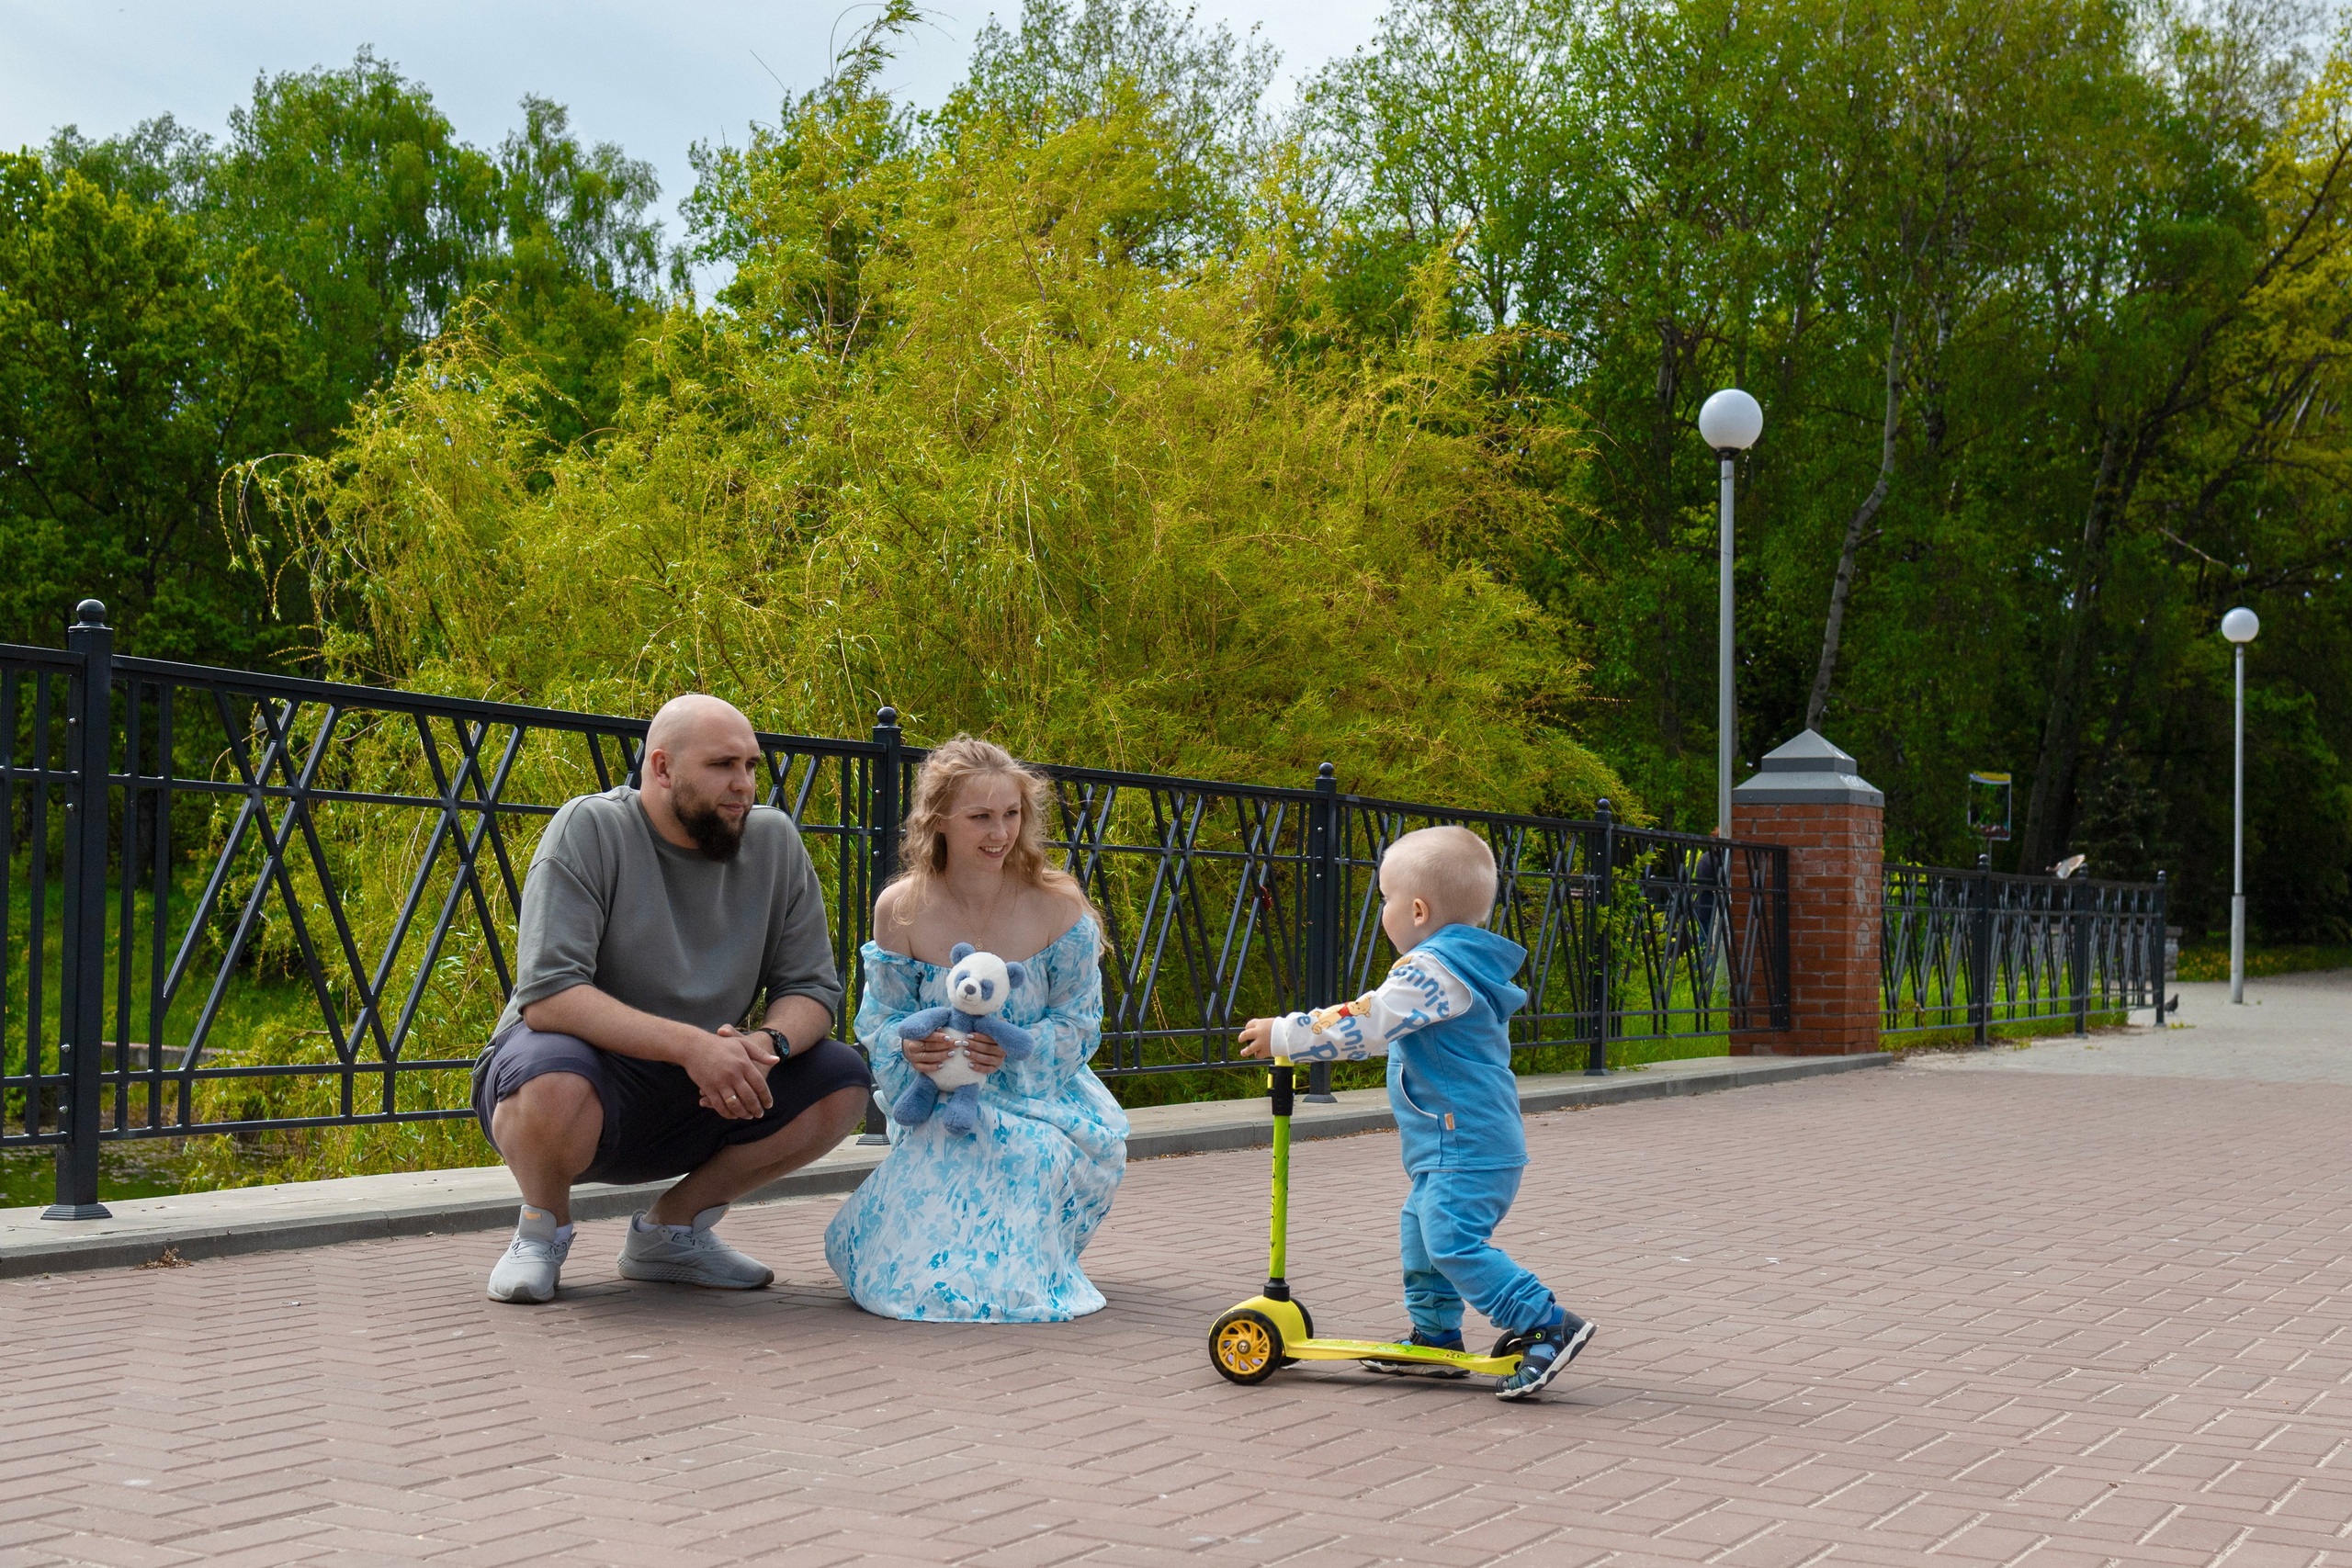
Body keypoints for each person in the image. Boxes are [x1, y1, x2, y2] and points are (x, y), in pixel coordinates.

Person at [471, 694, 873, 1304]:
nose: (744, 785)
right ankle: (542, 1230)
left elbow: (812, 990)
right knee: (552, 1078)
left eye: (752, 766)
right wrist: (690, 1046)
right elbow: (549, 994)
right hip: (584, 1075)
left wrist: (763, 1045)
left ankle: (670, 1232)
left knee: (842, 1081)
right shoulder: (591, 827)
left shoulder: (772, 842)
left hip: (700, 1085)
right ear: (661, 768)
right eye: (723, 765)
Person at [1238, 824, 1595, 1400]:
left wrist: (1287, 1033)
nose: (1382, 912)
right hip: (1453, 1142)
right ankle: (1436, 1339)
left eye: (1385, 900)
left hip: (1467, 1143)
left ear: (1420, 909)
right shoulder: (1455, 966)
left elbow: (1370, 1021)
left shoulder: (1433, 971)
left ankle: (1546, 1323)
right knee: (1423, 1236)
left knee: (1451, 1240)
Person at [823, 736, 1128, 1321]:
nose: (1001, 833)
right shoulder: (901, 908)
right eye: (981, 817)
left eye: (1012, 814)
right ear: (938, 820)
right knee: (943, 1165)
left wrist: (1016, 1052)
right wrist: (912, 1049)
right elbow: (880, 1019)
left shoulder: (1059, 905)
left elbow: (1081, 1022)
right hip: (943, 1103)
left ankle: (1005, 1282)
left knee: (1026, 1152)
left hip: (1046, 1104)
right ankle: (930, 1276)